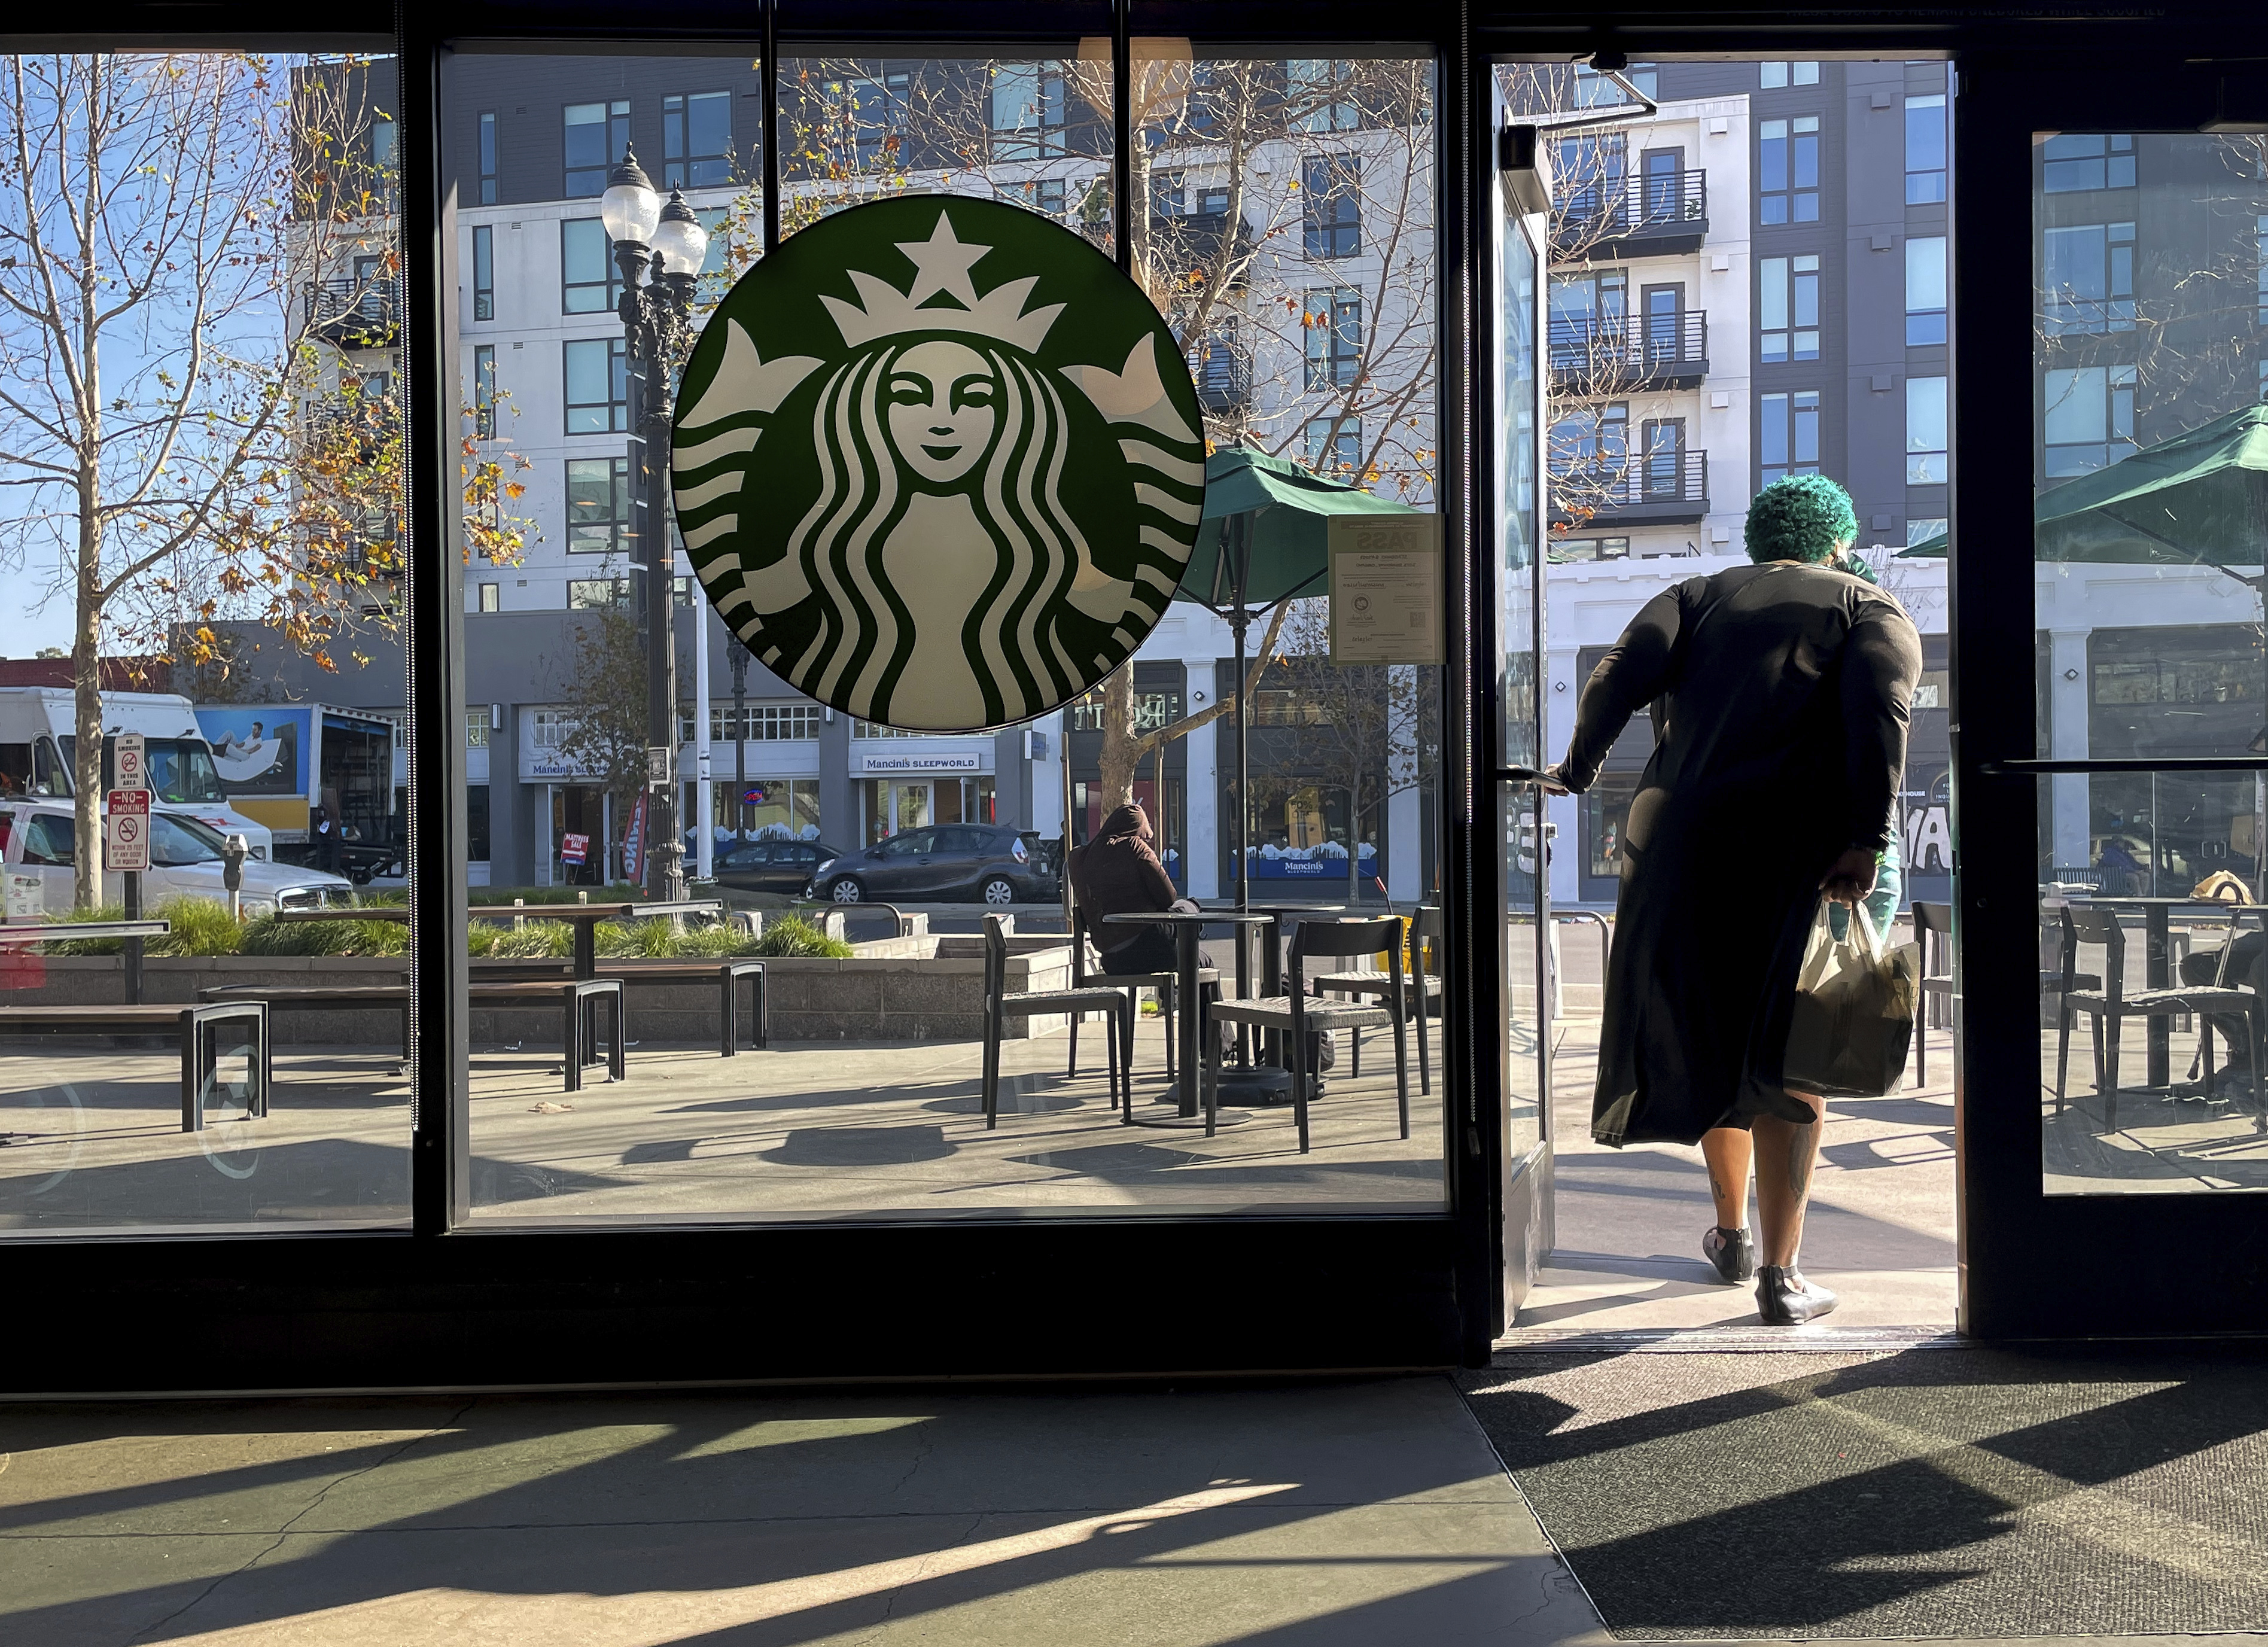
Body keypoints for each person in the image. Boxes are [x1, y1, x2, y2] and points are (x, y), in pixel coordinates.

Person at [1544, 474, 1922, 1325]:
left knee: (1711, 1036)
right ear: (1836, 538)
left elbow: (1613, 676)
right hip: (1798, 854)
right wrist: (1862, 837)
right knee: (1793, 1047)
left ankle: (1729, 1233)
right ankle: (1781, 1276)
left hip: (1680, 849)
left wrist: (1576, 769)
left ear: (1757, 537)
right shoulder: (1866, 606)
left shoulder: (1692, 595)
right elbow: (1880, 717)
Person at [1067, 801, 1198, 976]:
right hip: (1150, 950)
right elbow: (1169, 897)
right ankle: (1192, 1002)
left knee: (1184, 929)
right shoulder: (1134, 847)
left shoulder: (1078, 858)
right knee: (1192, 919)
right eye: (1144, 836)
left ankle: (1169, 995)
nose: (1145, 840)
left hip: (1111, 961)